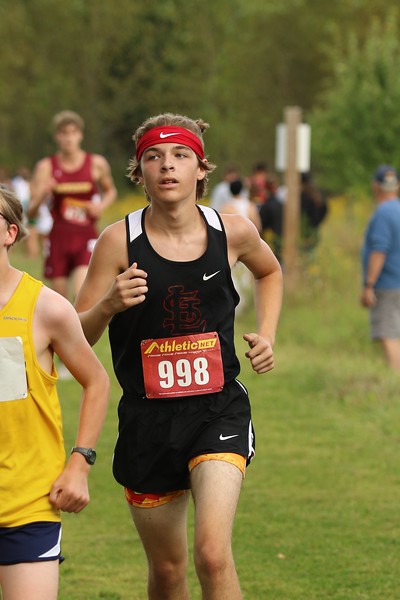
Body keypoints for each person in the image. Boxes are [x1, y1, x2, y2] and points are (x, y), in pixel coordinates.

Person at [75, 112, 283, 599]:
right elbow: (77, 335)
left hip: (217, 409)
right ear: (138, 172)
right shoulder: (117, 242)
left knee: (212, 554)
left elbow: (270, 272)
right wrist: (108, 304)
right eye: (154, 157)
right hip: (147, 420)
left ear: (200, 169)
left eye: (180, 156)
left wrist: (268, 333)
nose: (167, 166)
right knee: (168, 571)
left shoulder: (232, 232)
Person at [0, 185, 110, 600]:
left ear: (10, 233)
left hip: (27, 502)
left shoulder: (46, 307)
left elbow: (97, 381)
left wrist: (80, 463)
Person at [28, 110, 117, 300]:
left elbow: (111, 191)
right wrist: (44, 192)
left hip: (85, 235)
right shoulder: (46, 167)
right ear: (57, 137)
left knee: (80, 293)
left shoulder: (96, 163)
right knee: (60, 300)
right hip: (59, 236)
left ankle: (81, 329)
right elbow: (31, 211)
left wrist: (101, 206)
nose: (69, 138)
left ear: (80, 135)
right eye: (64, 133)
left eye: (73, 133)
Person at [361, 164, 400, 370]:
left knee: (388, 334)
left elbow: (380, 250)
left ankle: (395, 382)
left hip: (388, 283)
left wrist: (369, 284)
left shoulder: (383, 213)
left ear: (376, 186)